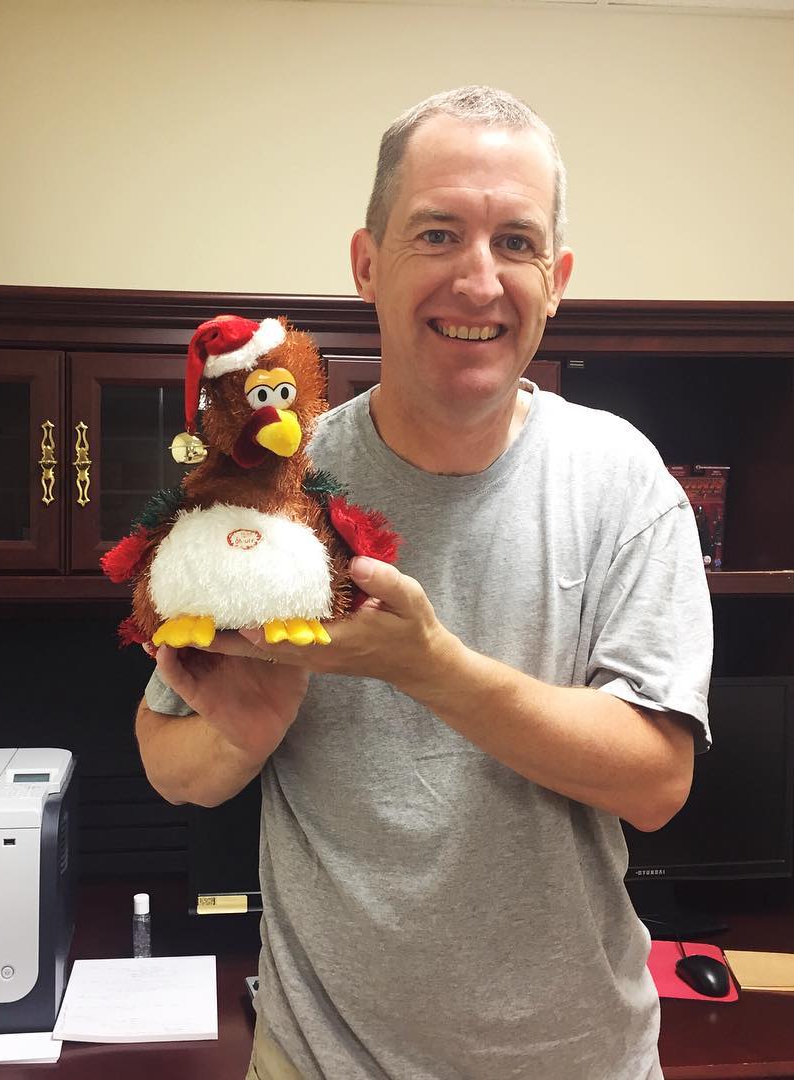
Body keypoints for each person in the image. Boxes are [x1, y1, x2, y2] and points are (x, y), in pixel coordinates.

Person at [136, 86, 713, 1080]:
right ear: (368, 263)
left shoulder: (624, 482)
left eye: (516, 243)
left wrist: (429, 667)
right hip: (321, 1061)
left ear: (557, 279)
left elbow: (657, 782)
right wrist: (244, 733)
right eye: (438, 234)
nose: (478, 281)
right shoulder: (274, 488)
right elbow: (167, 760)